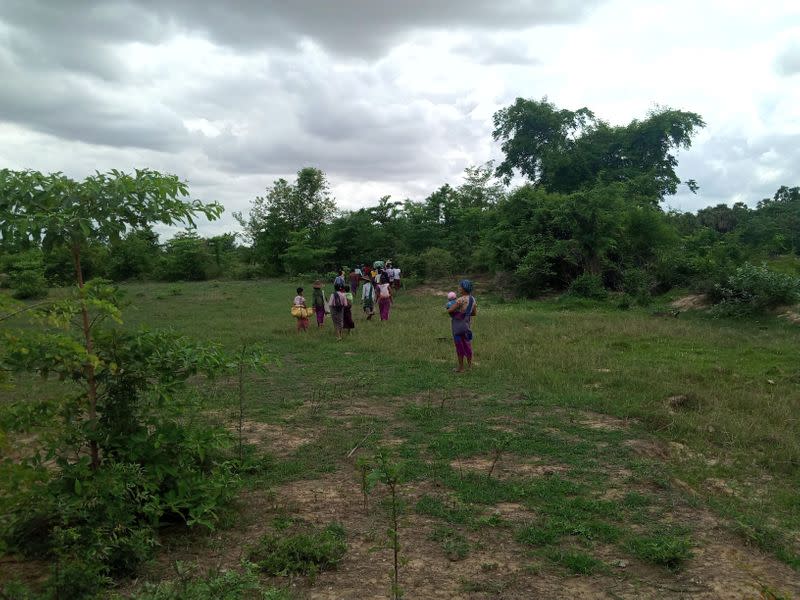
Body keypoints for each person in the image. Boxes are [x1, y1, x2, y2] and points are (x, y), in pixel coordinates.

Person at [446, 279, 477, 373]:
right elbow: (474, 313)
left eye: (460, 287)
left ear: (464, 288)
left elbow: (450, 310)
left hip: (458, 328)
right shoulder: (473, 299)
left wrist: (448, 306)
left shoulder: (460, 299)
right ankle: (470, 366)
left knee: (459, 346)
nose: (459, 288)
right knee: (467, 345)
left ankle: (461, 367)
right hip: (467, 327)